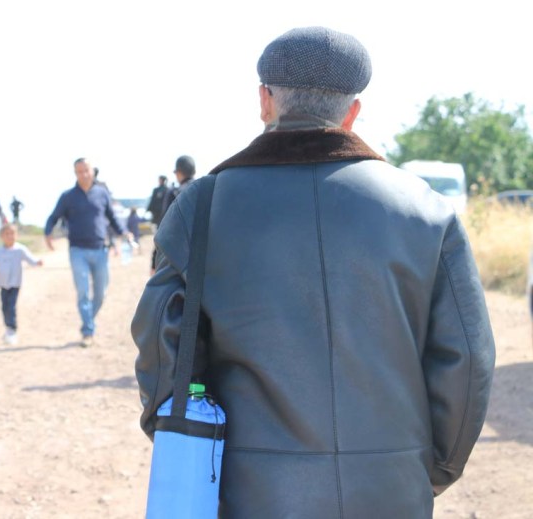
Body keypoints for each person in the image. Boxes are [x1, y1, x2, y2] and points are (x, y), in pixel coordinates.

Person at [131, 26, 495, 516]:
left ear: (264, 100)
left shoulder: (202, 206)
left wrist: (193, 449)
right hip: (392, 490)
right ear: (352, 112)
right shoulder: (426, 209)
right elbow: (468, 360)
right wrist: (427, 469)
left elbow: (162, 346)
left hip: (249, 490)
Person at [45, 157, 132, 347]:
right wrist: (47, 233)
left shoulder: (102, 194)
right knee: (83, 292)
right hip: (78, 251)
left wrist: (124, 232)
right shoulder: (67, 196)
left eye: (86, 170)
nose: (83, 174)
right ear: (75, 173)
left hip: (100, 250)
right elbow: (53, 217)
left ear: (92, 171)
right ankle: (88, 331)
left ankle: (88, 321)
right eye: (79, 171)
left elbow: (112, 217)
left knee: (101, 294)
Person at [0, 224, 43, 345]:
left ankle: (12, 330)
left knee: (11, 306)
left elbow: (30, 259)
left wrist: (37, 262)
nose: (10, 236)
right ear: (2, 236)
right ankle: (8, 328)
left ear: (16, 235)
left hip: (15, 283)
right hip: (3, 284)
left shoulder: (20, 250)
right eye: (7, 234)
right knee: (4, 307)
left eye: (12, 234)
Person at [150, 156, 196, 274]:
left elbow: (164, 228)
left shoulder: (175, 193)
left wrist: (154, 260)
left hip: (178, 256)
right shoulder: (206, 190)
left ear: (179, 172)